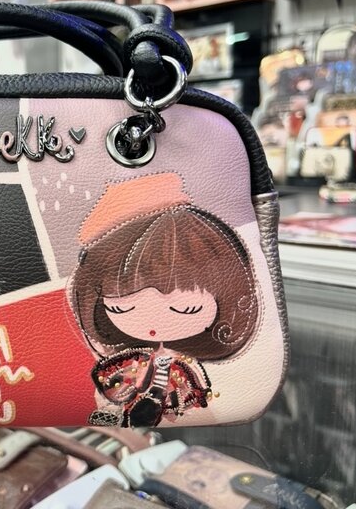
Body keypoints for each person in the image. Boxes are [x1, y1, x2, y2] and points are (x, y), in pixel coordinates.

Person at [69, 173, 260, 428]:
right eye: (120, 308)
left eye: (186, 308)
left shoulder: (184, 367)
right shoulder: (129, 362)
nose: (151, 324)